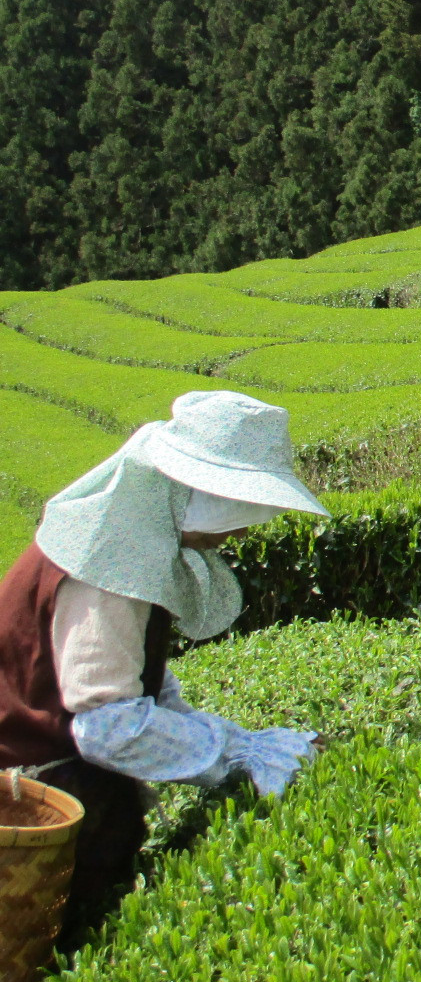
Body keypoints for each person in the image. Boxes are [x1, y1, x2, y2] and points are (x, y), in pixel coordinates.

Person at [0, 390, 328, 940]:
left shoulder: (127, 537)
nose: (242, 530)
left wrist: (239, 742)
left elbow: (135, 677)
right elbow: (106, 725)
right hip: (37, 809)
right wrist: (236, 755)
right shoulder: (105, 567)